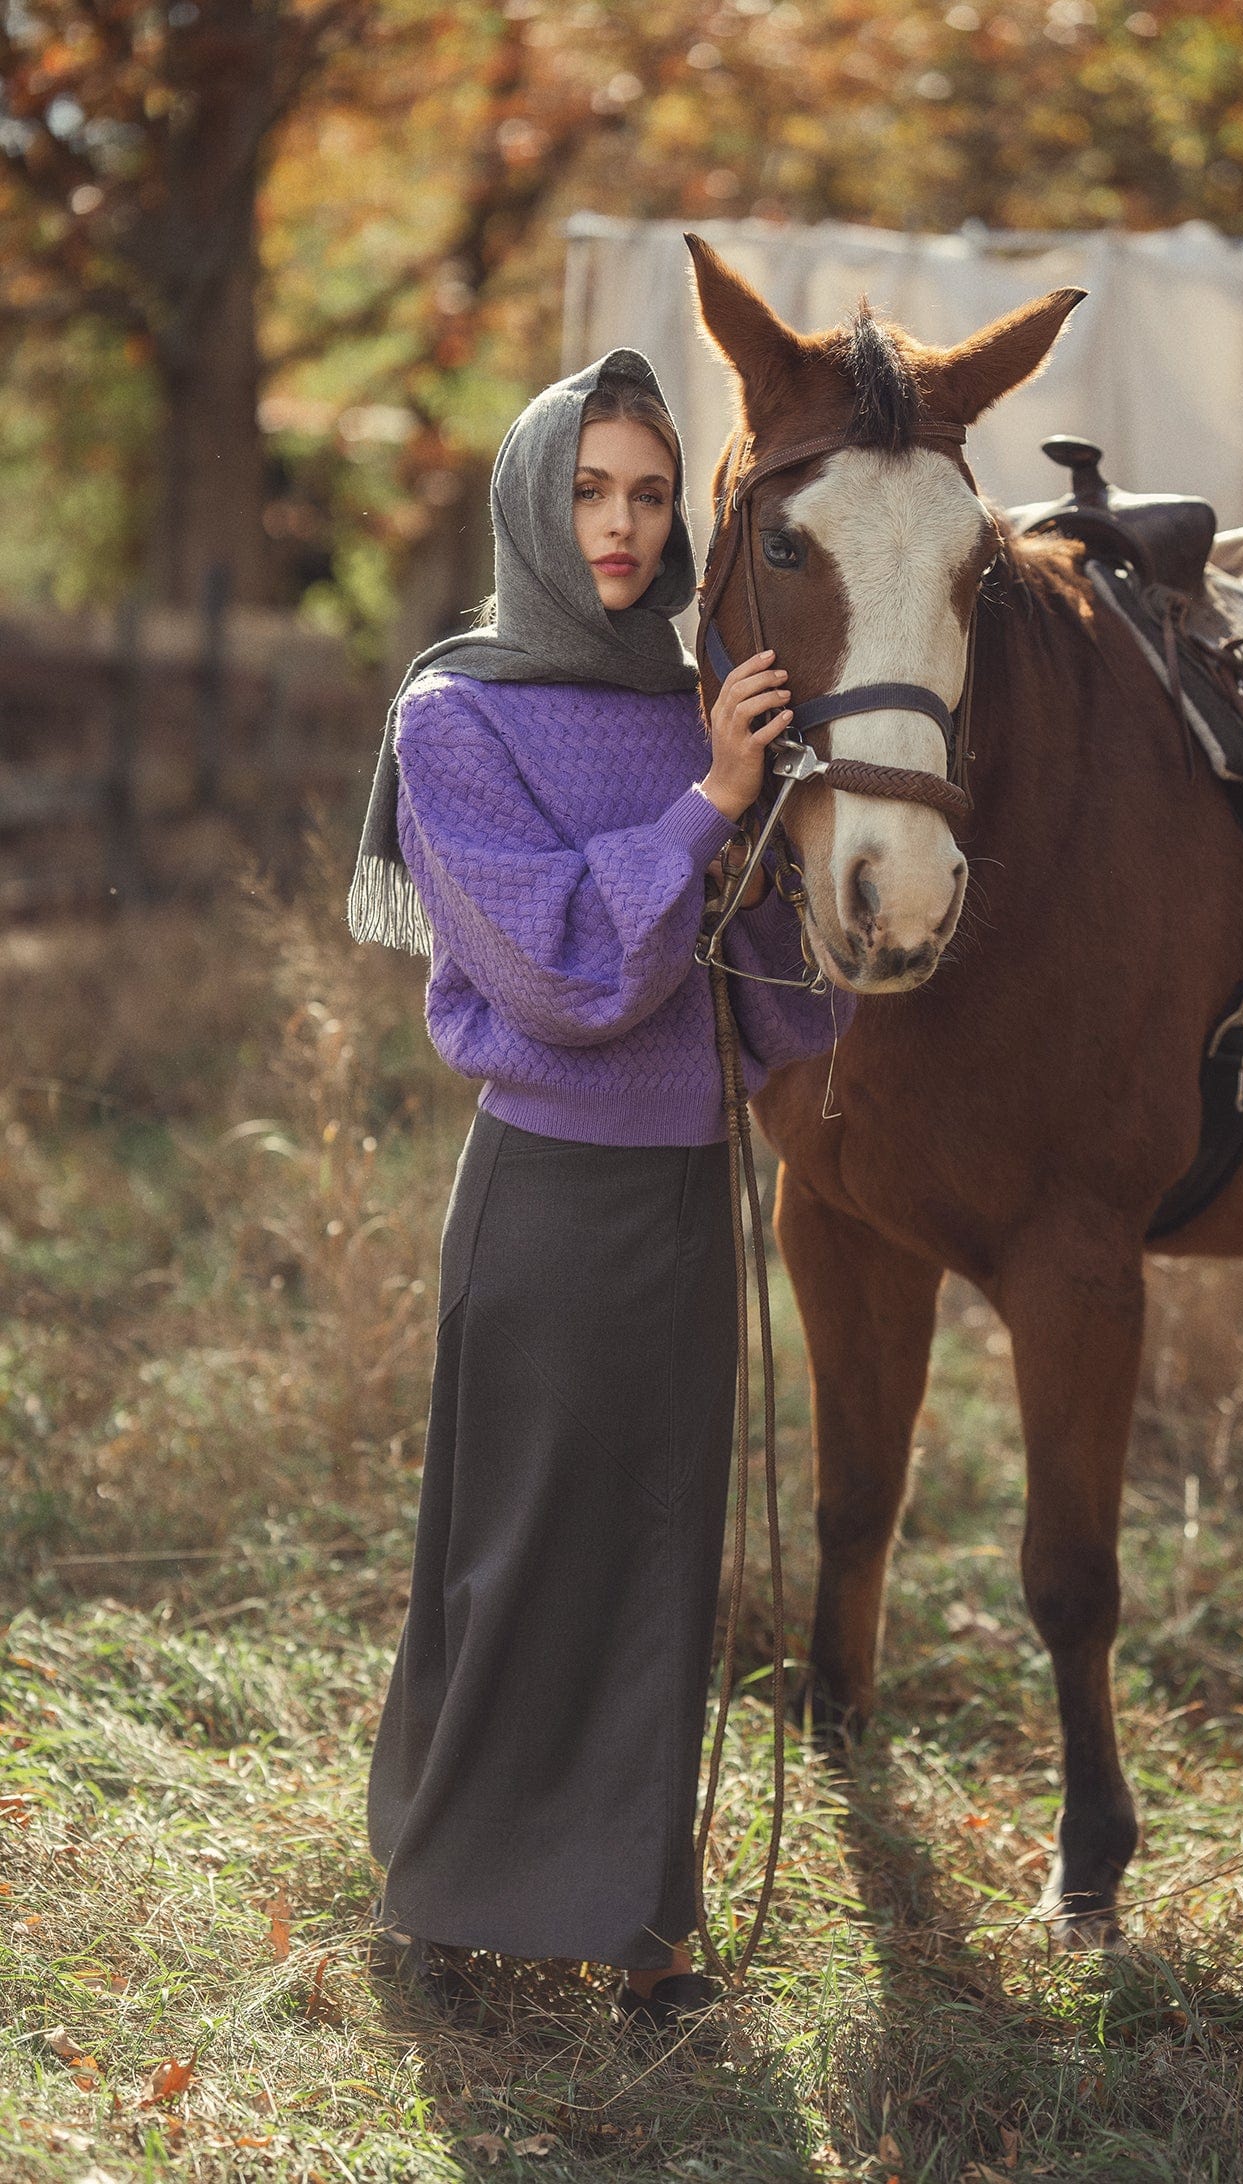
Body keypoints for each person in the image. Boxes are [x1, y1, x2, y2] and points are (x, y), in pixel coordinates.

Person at [347, 347, 848, 2034]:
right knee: (518, 1546)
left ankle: (640, 1935)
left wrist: (796, 830)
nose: (622, 525)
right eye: (589, 489)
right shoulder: (453, 713)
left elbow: (770, 994)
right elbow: (564, 976)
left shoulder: (704, 693)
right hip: (549, 1198)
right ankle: (450, 1896)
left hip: (687, 1199)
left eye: (649, 493)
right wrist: (710, 802)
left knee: (659, 1560)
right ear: (531, 500)